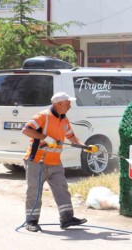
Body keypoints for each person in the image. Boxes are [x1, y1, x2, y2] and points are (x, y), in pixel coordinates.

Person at [21, 92, 98, 232]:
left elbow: (72, 138)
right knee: (34, 191)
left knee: (62, 189)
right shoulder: (43, 116)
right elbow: (26, 130)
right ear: (59, 104)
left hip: (55, 162)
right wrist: (47, 139)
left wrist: (86, 147)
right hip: (37, 161)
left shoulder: (64, 120)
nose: (70, 105)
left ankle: (67, 219)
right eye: (68, 103)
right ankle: (31, 221)